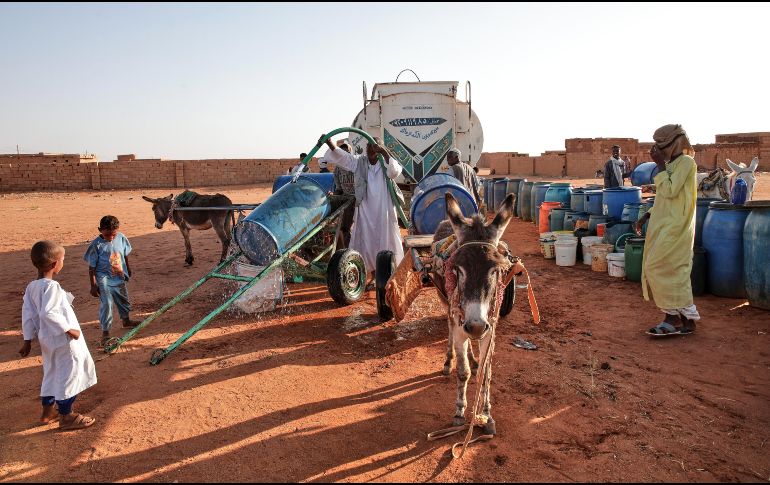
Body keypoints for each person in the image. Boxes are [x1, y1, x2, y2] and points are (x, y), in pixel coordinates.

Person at [20, 240, 97, 430]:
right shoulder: (51, 287)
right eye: (63, 259)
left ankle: (48, 412)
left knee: (51, 373)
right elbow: (48, 313)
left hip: (46, 340)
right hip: (64, 340)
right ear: (55, 264)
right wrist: (69, 330)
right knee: (70, 375)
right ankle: (66, 415)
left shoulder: (32, 287)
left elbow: (27, 314)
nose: (63, 262)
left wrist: (27, 340)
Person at [635, 124, 699, 337]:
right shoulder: (673, 164)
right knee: (672, 269)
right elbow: (665, 196)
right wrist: (647, 215)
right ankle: (686, 319)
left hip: (677, 226)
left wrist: (660, 166)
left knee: (661, 267)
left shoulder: (687, 164)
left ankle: (673, 317)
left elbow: (671, 190)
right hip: (664, 223)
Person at [319, 134, 404, 286]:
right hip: (365, 208)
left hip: (383, 208)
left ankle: (383, 274)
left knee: (385, 240)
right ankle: (370, 274)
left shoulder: (386, 162)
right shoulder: (360, 162)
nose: (371, 149)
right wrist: (331, 144)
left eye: (374, 146)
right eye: (368, 146)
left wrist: (384, 152)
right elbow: (344, 158)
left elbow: (394, 172)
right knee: (366, 241)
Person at [83, 215, 137, 346]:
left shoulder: (121, 238)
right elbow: (92, 267)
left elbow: (125, 254)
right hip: (103, 278)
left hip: (118, 275)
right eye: (107, 235)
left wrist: (127, 268)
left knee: (123, 299)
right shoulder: (96, 245)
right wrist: (93, 284)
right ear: (100, 230)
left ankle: (126, 320)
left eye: (113, 234)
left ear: (117, 230)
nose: (111, 238)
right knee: (106, 303)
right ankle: (105, 333)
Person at [332, 140, 355, 248]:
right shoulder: (337, 168)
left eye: (346, 152)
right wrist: (335, 194)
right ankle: (346, 249)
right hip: (347, 199)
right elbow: (338, 186)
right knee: (344, 227)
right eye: (342, 152)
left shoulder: (355, 164)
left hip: (358, 199)